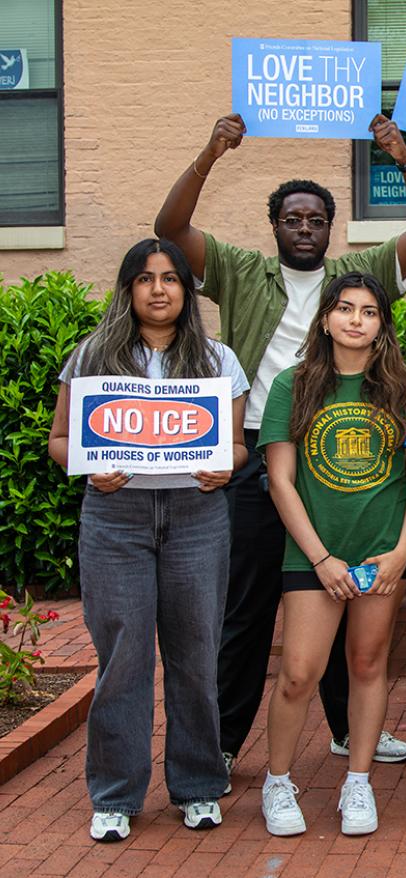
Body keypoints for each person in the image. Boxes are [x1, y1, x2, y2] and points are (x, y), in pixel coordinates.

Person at [154, 112, 406, 788]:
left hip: (344, 460)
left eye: (316, 218)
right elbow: (169, 232)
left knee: (350, 590)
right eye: (293, 218)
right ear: (277, 226)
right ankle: (224, 743)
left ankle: (349, 732)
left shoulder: (360, 272)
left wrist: (404, 160)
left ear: (331, 227)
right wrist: (210, 149)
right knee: (249, 605)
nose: (305, 227)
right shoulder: (239, 269)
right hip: (263, 454)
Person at [47, 239, 249, 843]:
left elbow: (238, 447)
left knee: (195, 656)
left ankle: (198, 786)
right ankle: (114, 795)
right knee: (123, 660)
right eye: (145, 278)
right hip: (116, 518)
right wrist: (85, 468)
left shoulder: (217, 360)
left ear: (188, 291)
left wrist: (227, 467)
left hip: (196, 514)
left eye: (170, 278)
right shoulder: (92, 355)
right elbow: (60, 440)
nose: (158, 289)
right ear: (127, 288)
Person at [256, 272, 406, 837]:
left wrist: (403, 549)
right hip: (313, 555)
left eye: (370, 311)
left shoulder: (405, 387)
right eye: (346, 309)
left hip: (381, 554)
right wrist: (321, 558)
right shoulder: (293, 385)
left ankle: (359, 782)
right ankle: (278, 782)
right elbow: (281, 481)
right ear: (326, 317)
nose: (357, 319)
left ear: (382, 325)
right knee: (300, 673)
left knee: (369, 665)